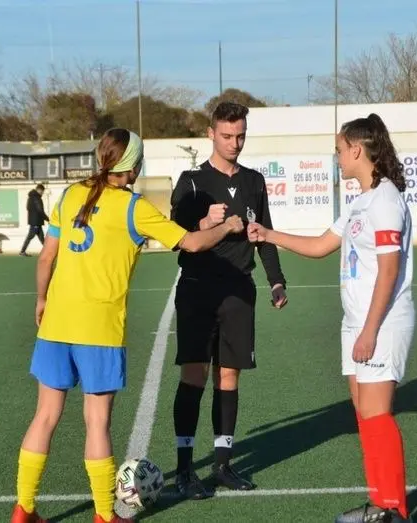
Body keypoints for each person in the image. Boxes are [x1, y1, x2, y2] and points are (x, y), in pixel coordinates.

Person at [10, 128, 244, 523]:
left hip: (56, 324)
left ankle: (23, 509)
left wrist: (41, 299)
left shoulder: (69, 195)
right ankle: (105, 515)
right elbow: (191, 243)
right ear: (133, 167)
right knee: (97, 422)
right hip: (98, 329)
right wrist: (227, 227)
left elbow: (46, 257)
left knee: (44, 416)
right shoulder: (134, 208)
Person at [247, 113, 414, 523]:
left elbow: (389, 271)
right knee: (365, 415)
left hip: (381, 323)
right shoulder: (361, 202)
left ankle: (395, 510)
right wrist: (268, 235)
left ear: (357, 150)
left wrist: (370, 331)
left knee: (377, 416)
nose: (337, 157)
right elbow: (322, 245)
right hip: (355, 323)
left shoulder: (386, 200)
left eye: (339, 150)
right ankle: (380, 505)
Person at [170, 101, 288, 499]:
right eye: (226, 135)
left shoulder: (254, 181)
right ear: (210, 134)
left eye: (240, 136)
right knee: (194, 375)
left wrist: (276, 281)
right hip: (198, 288)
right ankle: (184, 469)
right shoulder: (191, 182)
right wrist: (203, 223)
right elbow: (176, 237)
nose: (234, 143)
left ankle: (222, 465)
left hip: (239, 289)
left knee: (229, 376)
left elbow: (265, 234)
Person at [20, 184, 50, 256]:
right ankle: (22, 251)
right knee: (30, 236)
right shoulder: (37, 198)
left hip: (35, 221)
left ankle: (48, 251)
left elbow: (28, 208)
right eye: (42, 191)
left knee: (41, 238)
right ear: (39, 190)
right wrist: (48, 219)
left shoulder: (30, 198)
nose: (42, 193)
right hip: (36, 222)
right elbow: (40, 210)